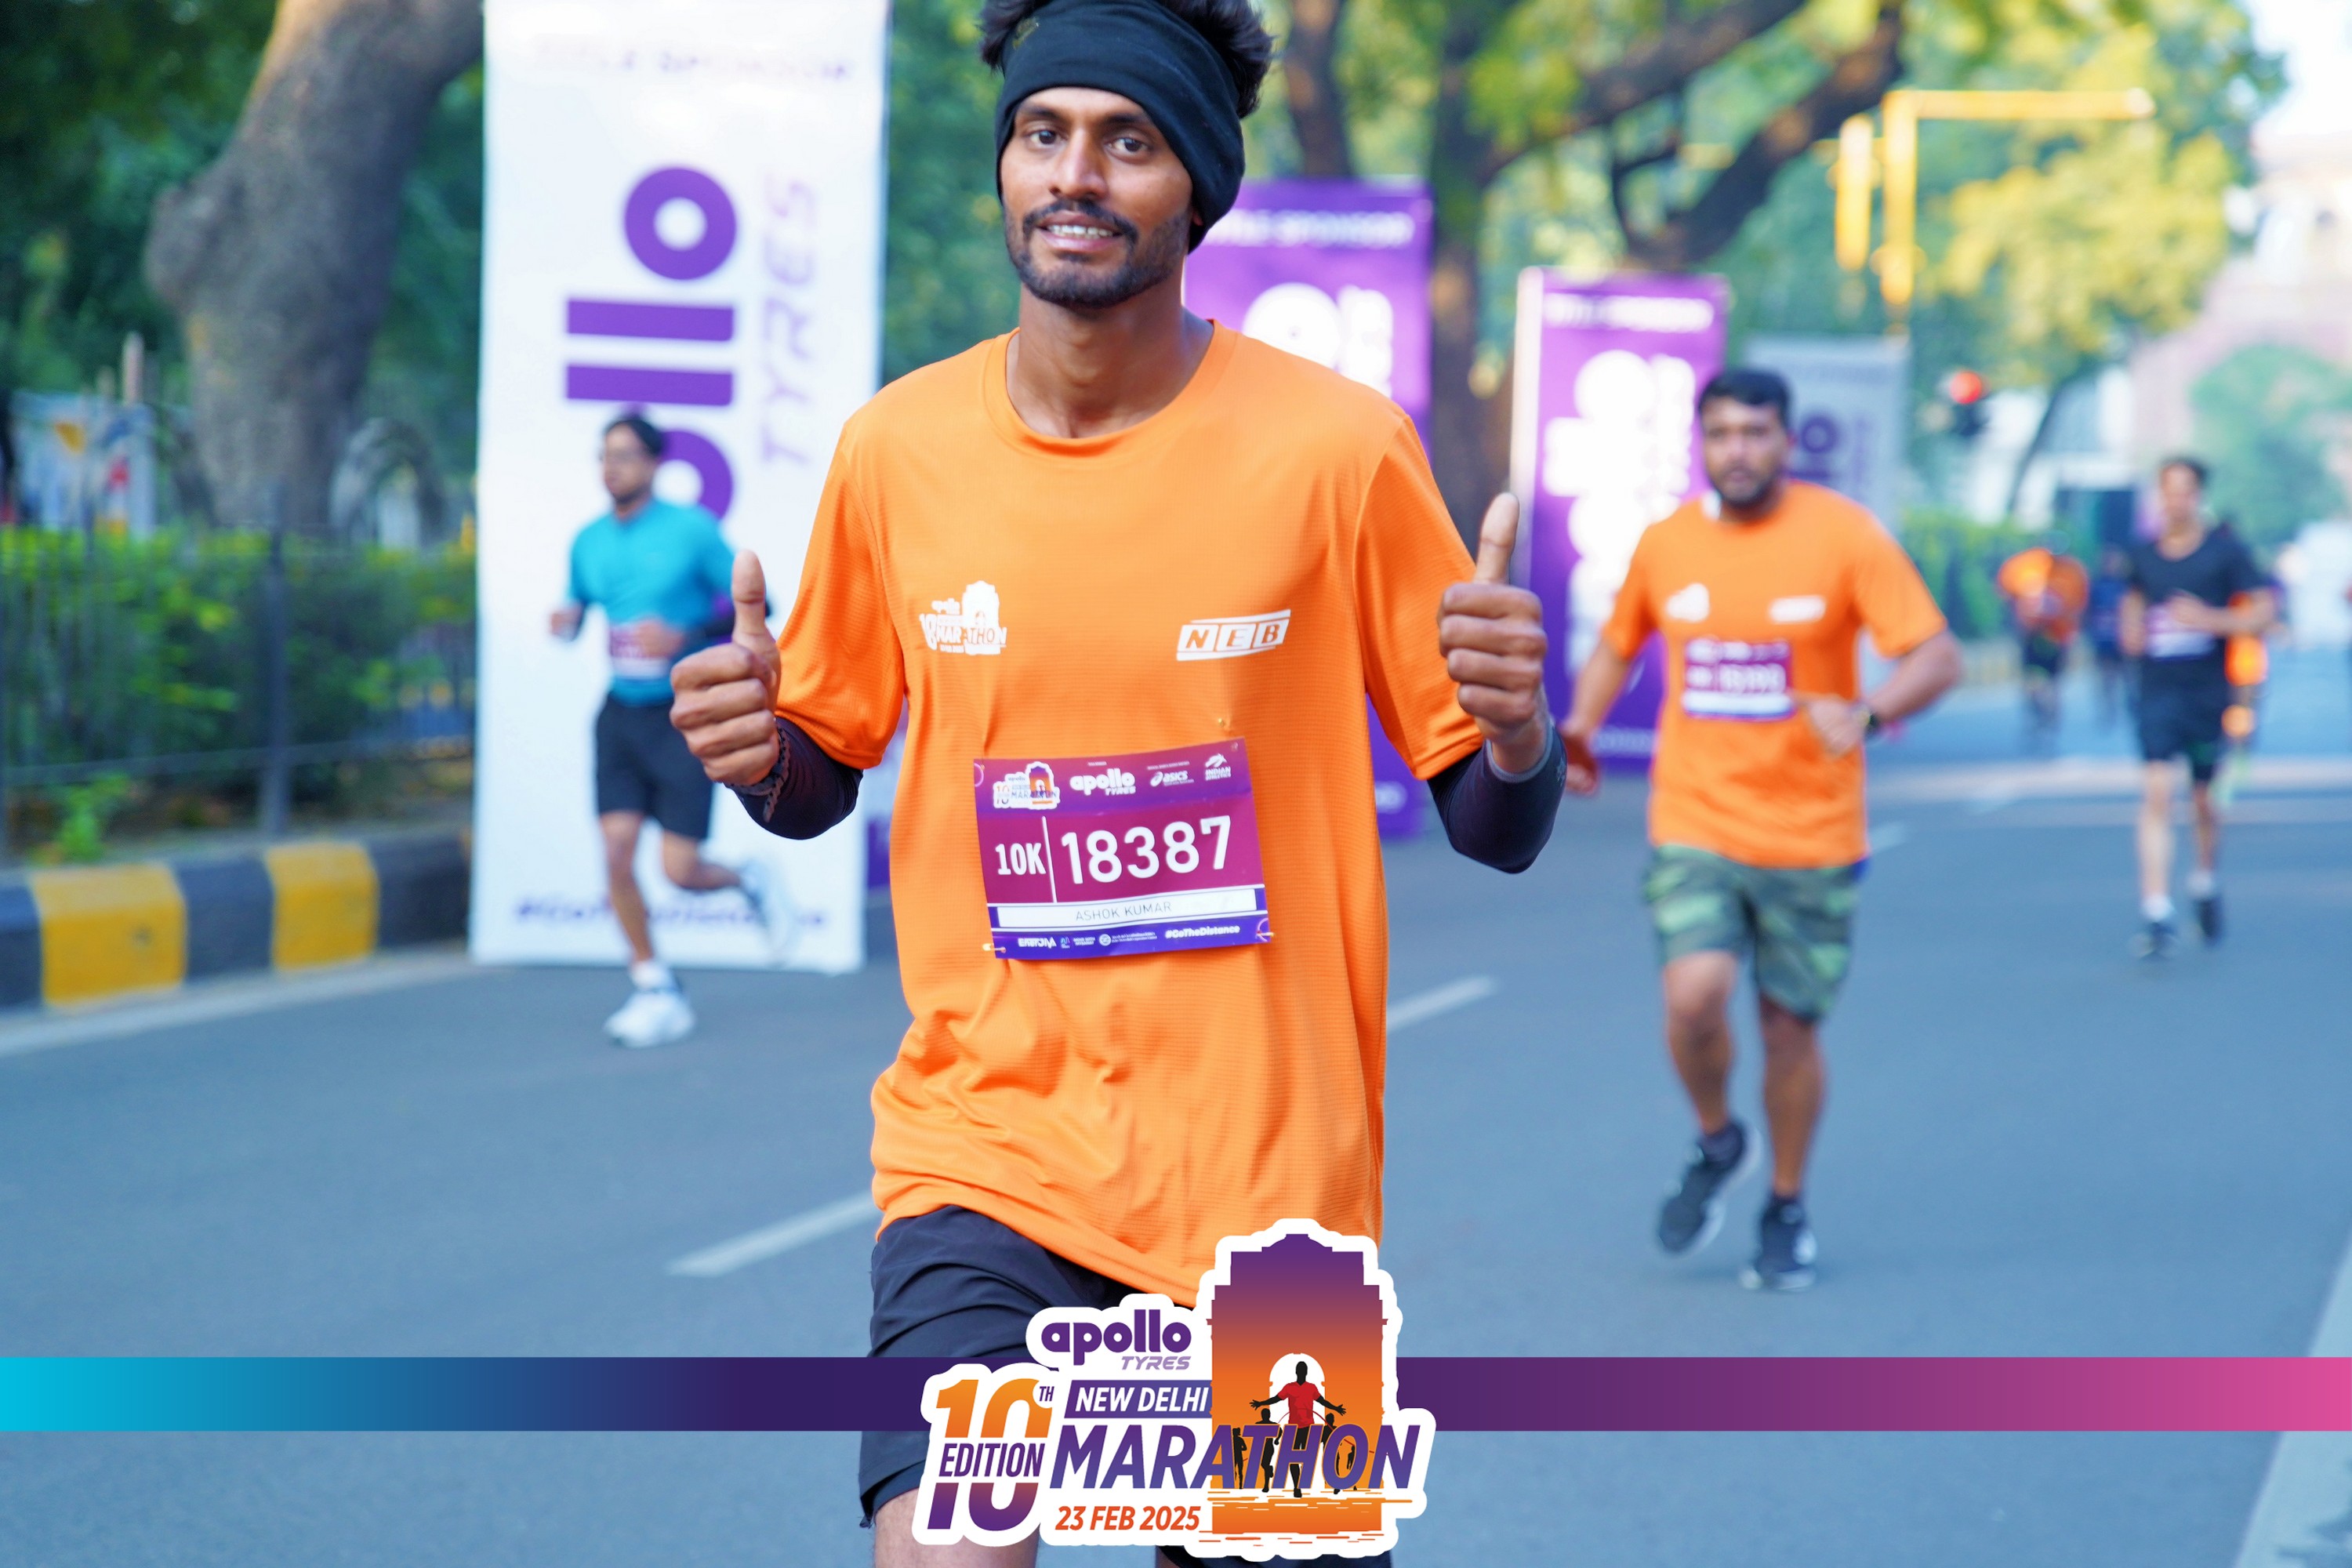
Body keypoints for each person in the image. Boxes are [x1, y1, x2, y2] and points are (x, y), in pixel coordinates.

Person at [665, 2, 1566, 1562]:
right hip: (987, 1148)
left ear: (1196, 185)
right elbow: (821, 774)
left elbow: (1496, 827)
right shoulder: (898, 450)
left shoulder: (1339, 452)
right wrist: (758, 750)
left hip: (1271, 1190)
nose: (1075, 174)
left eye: (1127, 141)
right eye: (1044, 133)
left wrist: (1518, 729)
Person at [1558, 368, 1963, 1293]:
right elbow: (1619, 641)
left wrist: (1870, 712)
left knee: (1787, 1030)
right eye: (1722, 433)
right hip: (1695, 819)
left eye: (1756, 432)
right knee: (1694, 997)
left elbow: (1935, 654)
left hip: (1812, 833)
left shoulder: (1843, 536)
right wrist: (1580, 725)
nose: (1737, 450)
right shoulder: (1668, 543)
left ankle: (1785, 1202)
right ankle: (1717, 1137)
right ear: (1701, 443)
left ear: (1787, 439)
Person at [552, 413, 771, 1048]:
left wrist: (685, 634)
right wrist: (566, 621)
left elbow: (761, 605)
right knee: (616, 854)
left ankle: (745, 878)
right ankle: (653, 984)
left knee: (679, 870)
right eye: (604, 455)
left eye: (625, 455)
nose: (611, 467)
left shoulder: (691, 530)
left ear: (653, 464)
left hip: (684, 715)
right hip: (621, 714)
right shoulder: (588, 541)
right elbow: (579, 609)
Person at [2118, 461, 2275, 956]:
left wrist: (2209, 619)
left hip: (2207, 692)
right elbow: (2133, 603)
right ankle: (2156, 909)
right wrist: (2131, 632)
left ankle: (2205, 879)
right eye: (2168, 492)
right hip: (2157, 690)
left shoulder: (2225, 553)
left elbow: (2264, 612)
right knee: (2157, 792)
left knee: (2203, 799)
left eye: (2185, 491)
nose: (2176, 501)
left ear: (2199, 496)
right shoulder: (2142, 554)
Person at [1994, 541, 2089, 750]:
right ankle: (2035, 715)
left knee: (2053, 683)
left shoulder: (2073, 572)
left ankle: (2050, 721)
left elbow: (2080, 605)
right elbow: (2007, 593)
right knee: (2032, 681)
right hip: (2031, 633)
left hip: (2058, 636)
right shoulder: (2025, 565)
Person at [1248, 1359, 1346, 1497]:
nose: (1301, 1372)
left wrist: (1335, 1408)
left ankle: (1334, 1482)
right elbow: (1276, 1398)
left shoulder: (1311, 1388)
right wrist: (1261, 1403)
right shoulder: (1289, 1387)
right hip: (1293, 1429)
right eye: (1300, 1370)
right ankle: (1297, 1487)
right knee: (1292, 1459)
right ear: (1297, 1372)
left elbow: (1322, 1401)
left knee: (1309, 1459)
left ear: (1306, 1372)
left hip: (1309, 1428)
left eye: (1303, 1370)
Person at [2086, 546, 2132, 728]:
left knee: (2128, 676)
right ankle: (2108, 710)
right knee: (2106, 678)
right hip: (2104, 638)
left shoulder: (2127, 585)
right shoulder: (2096, 585)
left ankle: (2131, 707)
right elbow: (2088, 611)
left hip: (2123, 637)